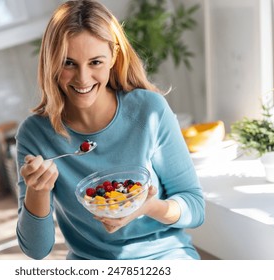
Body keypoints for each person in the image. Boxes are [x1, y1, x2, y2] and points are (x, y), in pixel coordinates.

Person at [15, 0, 205, 260]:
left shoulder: (149, 111)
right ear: (51, 62)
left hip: (165, 257)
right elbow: (36, 250)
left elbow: (195, 208)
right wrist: (37, 190)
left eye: (95, 62)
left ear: (114, 56)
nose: (83, 78)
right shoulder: (35, 134)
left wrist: (147, 207)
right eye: (69, 63)